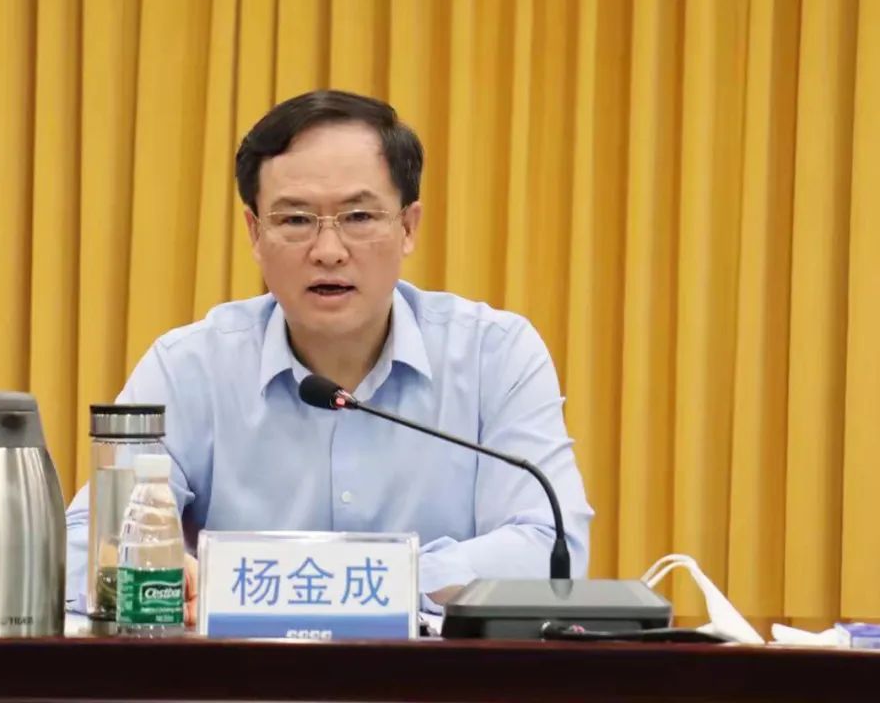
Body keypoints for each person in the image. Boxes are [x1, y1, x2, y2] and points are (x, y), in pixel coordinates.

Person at [65, 89, 594, 621]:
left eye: (359, 216)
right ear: (255, 233)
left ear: (408, 227)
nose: (328, 251)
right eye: (296, 220)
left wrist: (350, 582)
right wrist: (156, 571)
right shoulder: (189, 367)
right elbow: (85, 548)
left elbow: (549, 549)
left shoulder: (493, 356)